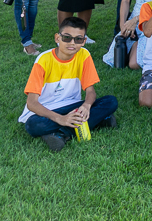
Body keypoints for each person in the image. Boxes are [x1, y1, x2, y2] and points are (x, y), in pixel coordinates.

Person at [18, 16, 118, 152]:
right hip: (46, 110)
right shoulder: (43, 60)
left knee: (111, 101)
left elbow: (90, 91)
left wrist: (86, 106)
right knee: (32, 125)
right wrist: (60, 119)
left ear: (84, 41)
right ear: (57, 38)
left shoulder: (84, 55)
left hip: (72, 105)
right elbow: (32, 103)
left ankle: (62, 134)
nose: (72, 43)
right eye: (67, 38)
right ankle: (99, 121)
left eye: (78, 39)